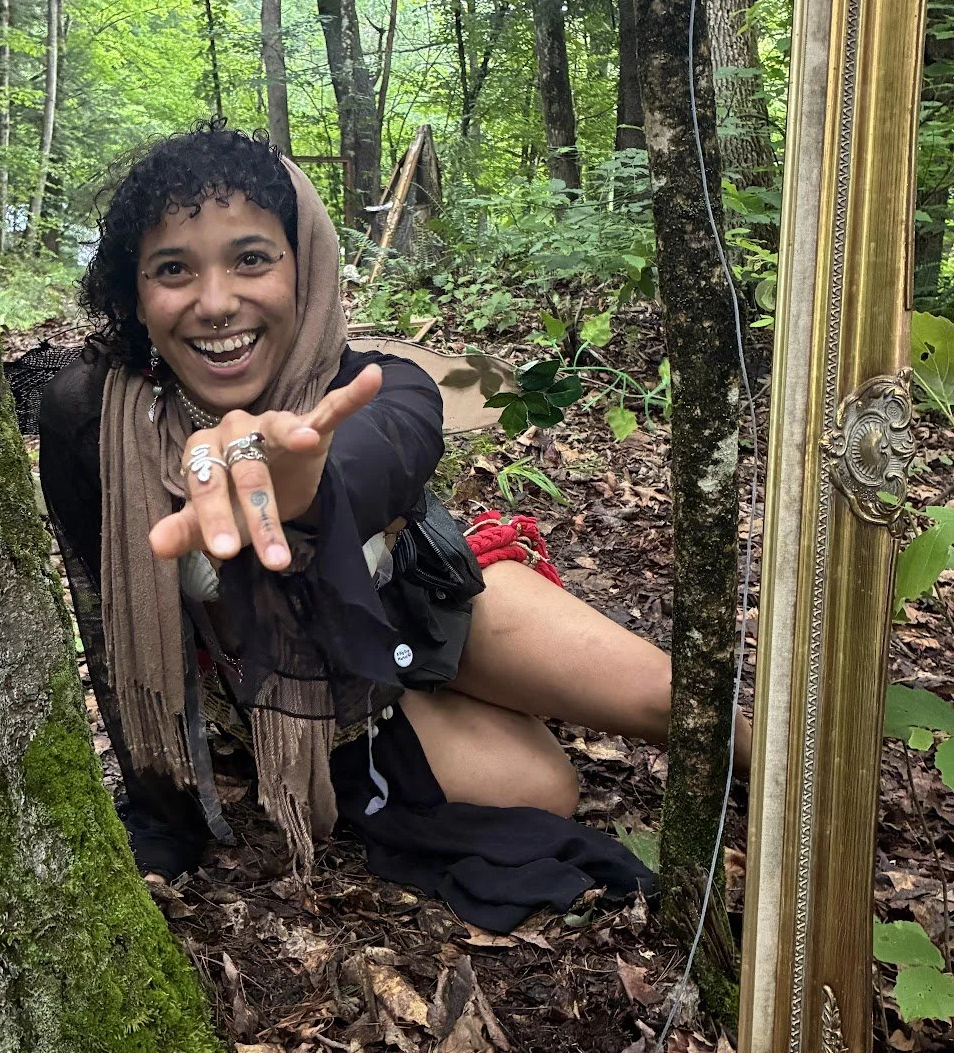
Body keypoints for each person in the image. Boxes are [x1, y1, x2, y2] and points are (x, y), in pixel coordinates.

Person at [37, 123, 742, 933]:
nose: (217, 300)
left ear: (305, 268)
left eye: (252, 258)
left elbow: (380, 453)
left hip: (424, 605)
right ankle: (423, 727)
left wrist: (306, 488)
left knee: (675, 700)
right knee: (545, 787)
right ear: (134, 292)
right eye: (173, 269)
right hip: (325, 689)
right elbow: (108, 620)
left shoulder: (382, 385)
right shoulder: (92, 418)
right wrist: (161, 801)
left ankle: (811, 784)